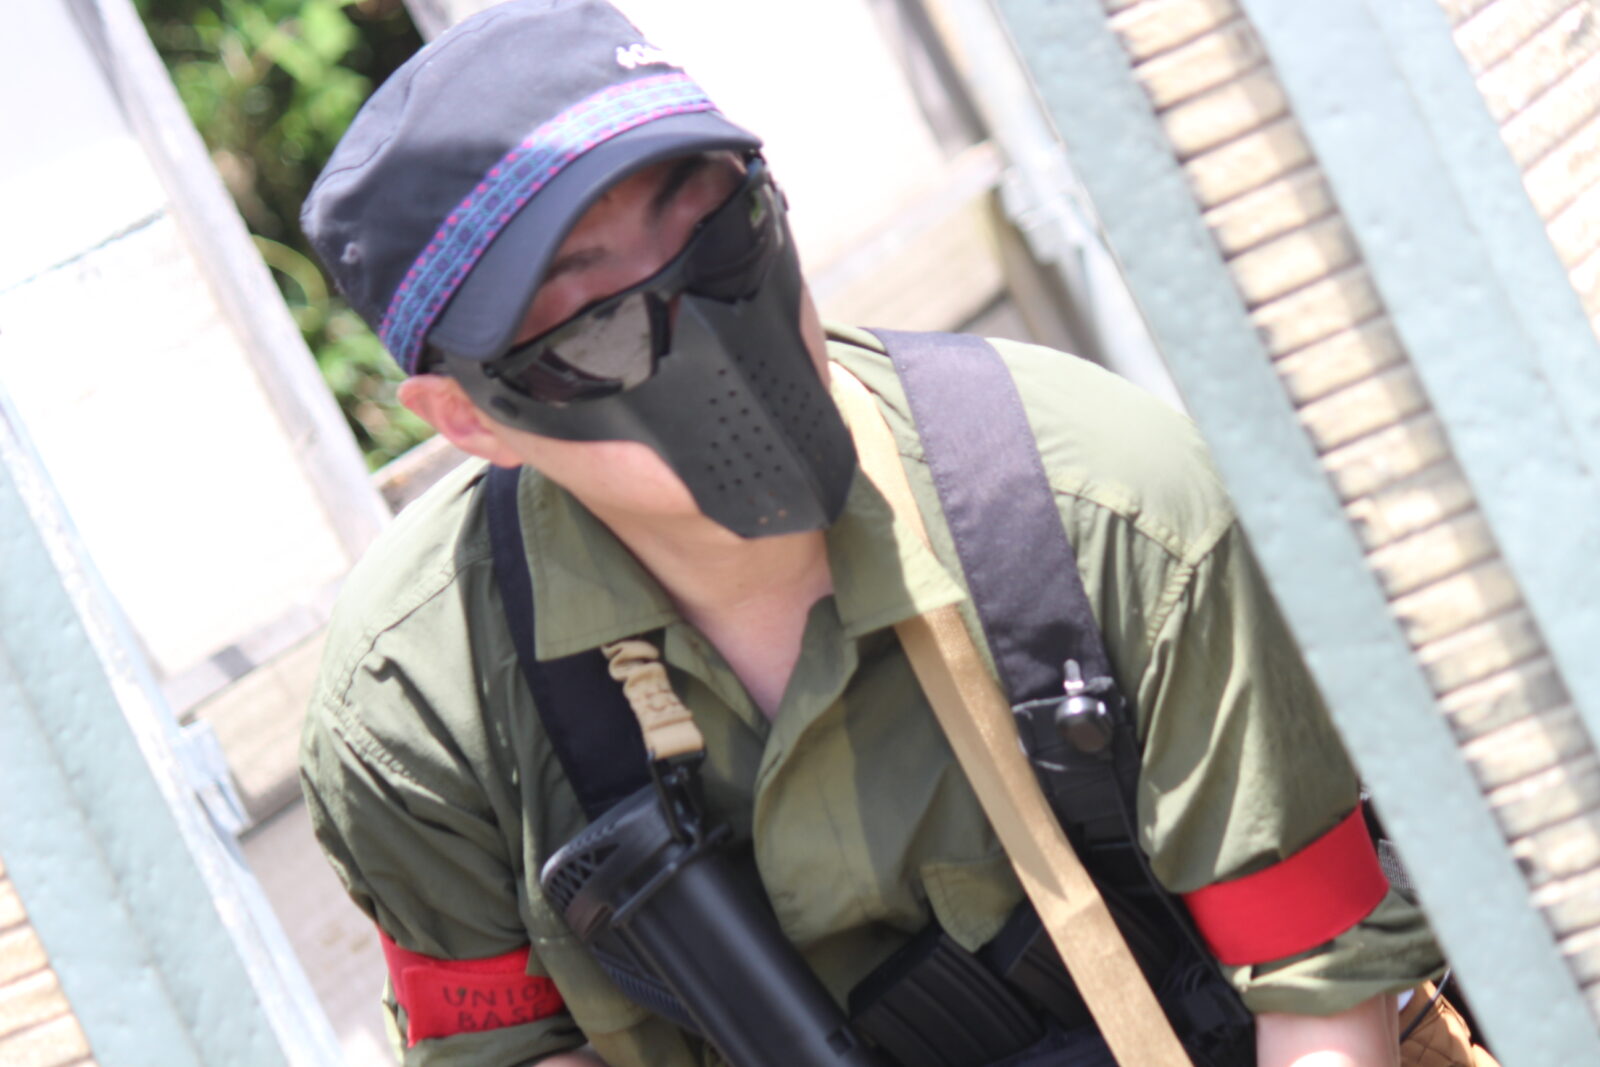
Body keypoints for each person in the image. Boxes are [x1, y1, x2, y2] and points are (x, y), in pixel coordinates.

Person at [297, 1, 1445, 1064]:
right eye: (597, 327)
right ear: (470, 418)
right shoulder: (416, 705)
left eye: (724, 236)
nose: (715, 341)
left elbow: (1320, 985)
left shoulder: (1100, 504)